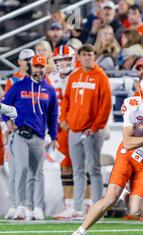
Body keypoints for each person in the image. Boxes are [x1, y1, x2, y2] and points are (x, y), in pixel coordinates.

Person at [69, 71, 143, 235]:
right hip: (128, 155)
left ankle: (126, 193)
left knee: (138, 212)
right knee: (110, 198)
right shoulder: (132, 105)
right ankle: (79, 233)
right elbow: (128, 142)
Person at [1, 56, 58, 221]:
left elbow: (53, 115)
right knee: (22, 168)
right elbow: (4, 105)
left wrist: (54, 136)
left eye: (41, 66)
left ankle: (36, 207)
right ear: (30, 67)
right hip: (20, 134)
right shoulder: (18, 86)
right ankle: (20, 205)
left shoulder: (49, 90)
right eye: (36, 66)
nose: (39, 69)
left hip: (39, 136)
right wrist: (7, 121)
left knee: (38, 172)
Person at [60, 44, 112, 219]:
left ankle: (98, 208)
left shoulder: (101, 77)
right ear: (79, 57)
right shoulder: (74, 76)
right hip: (74, 130)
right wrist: (64, 118)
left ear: (94, 57)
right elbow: (66, 99)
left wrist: (95, 127)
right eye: (84, 55)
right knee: (78, 170)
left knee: (94, 169)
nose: (88, 58)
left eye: (90, 55)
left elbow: (105, 106)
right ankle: (77, 207)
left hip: (92, 131)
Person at [48, 45, 78, 219]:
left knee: (82, 166)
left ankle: (85, 204)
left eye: (67, 59)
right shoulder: (51, 78)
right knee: (65, 166)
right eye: (60, 60)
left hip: (78, 126)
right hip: (59, 128)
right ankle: (69, 203)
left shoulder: (80, 76)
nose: (64, 63)